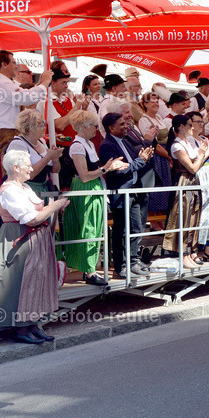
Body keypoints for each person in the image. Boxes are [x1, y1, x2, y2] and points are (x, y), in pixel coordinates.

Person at [0, 149, 69, 343]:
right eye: (27, 165)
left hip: (34, 240)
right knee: (21, 284)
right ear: (15, 167)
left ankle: (33, 325)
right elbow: (31, 219)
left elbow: (38, 211)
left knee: (35, 282)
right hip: (20, 238)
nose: (32, 168)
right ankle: (21, 330)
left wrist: (51, 207)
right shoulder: (10, 191)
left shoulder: (24, 187)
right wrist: (54, 206)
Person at [62, 110, 122, 286]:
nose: (97, 129)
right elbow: (84, 176)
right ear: (84, 127)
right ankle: (89, 270)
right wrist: (106, 169)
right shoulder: (77, 146)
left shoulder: (87, 144)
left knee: (95, 227)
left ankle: (90, 268)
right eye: (95, 126)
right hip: (86, 187)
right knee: (88, 227)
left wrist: (108, 168)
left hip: (93, 187)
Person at [100, 112, 154, 278]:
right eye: (122, 124)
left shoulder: (124, 142)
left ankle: (133, 260)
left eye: (126, 123)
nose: (126, 127)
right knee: (121, 230)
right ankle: (120, 266)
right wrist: (140, 161)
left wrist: (141, 159)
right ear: (111, 128)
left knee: (136, 228)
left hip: (134, 191)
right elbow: (119, 170)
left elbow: (131, 164)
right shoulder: (107, 145)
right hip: (121, 193)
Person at [162, 114, 209, 270]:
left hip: (193, 181)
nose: (193, 128)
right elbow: (192, 167)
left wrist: (205, 151)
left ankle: (191, 251)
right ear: (182, 127)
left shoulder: (188, 143)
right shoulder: (177, 145)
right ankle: (182, 253)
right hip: (184, 181)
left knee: (193, 217)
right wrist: (202, 153)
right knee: (184, 217)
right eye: (190, 125)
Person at [0, 51, 50, 156]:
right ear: (4, 64)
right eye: (14, 63)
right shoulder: (2, 83)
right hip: (8, 133)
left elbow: (23, 94)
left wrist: (40, 83)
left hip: (5, 132)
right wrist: (45, 83)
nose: (16, 66)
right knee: (16, 168)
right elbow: (26, 97)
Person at [188, 111, 209, 262]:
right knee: (202, 212)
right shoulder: (189, 140)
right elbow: (197, 160)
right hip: (201, 176)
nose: (201, 125)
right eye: (198, 122)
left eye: (203, 122)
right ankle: (197, 248)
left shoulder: (204, 139)